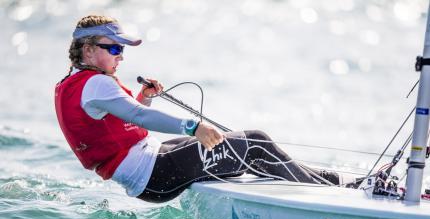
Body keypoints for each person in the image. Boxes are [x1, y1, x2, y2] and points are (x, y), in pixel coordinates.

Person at [55, 15, 343, 203]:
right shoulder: (97, 84)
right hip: (154, 172)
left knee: (246, 149)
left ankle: (338, 182)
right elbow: (139, 117)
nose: (121, 57)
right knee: (256, 142)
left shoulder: (74, 85)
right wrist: (192, 127)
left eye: (123, 50)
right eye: (114, 49)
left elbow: (126, 119)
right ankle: (326, 198)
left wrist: (145, 96)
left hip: (150, 170)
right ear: (88, 49)